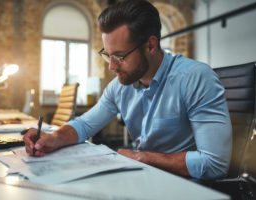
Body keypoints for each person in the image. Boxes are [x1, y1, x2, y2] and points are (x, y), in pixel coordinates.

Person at [24, 0, 232, 180]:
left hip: (186, 187)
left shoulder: (195, 78)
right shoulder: (119, 87)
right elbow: (85, 124)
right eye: (108, 55)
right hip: (144, 178)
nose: (112, 67)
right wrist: (54, 138)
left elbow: (214, 164)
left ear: (151, 45)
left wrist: (141, 157)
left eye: (120, 57)